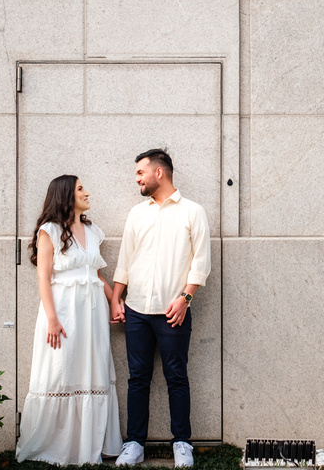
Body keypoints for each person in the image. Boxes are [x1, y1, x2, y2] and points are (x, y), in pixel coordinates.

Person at [111, 149, 211, 469]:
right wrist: (116, 297)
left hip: (174, 309)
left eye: (141, 172)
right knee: (137, 378)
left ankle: (182, 443)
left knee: (176, 376)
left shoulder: (193, 212)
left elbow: (201, 262)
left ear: (159, 173)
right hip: (137, 309)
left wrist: (185, 298)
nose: (136, 178)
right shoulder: (136, 214)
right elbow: (125, 261)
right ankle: (134, 444)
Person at [15, 175, 122, 465]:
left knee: (94, 366)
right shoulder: (49, 230)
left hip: (93, 311)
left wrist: (114, 302)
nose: (87, 192)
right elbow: (43, 277)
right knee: (62, 369)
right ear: (65, 195)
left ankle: (93, 445)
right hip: (63, 310)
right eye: (80, 189)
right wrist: (51, 318)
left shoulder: (92, 229)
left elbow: (96, 274)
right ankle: (57, 446)